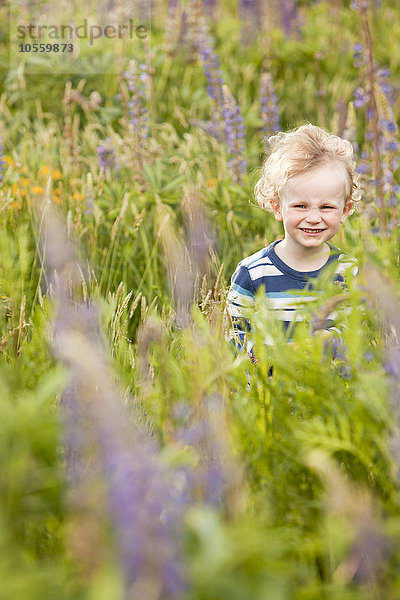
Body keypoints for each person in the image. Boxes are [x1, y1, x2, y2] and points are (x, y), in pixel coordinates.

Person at [224, 123, 359, 365]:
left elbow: (362, 332)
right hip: (271, 395)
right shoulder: (253, 273)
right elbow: (235, 337)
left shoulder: (350, 271)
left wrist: (331, 341)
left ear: (345, 210)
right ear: (277, 207)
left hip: (331, 396)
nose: (314, 217)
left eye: (326, 207)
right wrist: (275, 355)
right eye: (300, 206)